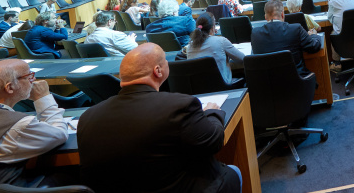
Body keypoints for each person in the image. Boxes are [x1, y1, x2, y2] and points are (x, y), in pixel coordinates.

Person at [77, 44, 242, 193]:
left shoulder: (87, 118)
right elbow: (214, 141)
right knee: (234, 172)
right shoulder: (180, 106)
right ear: (158, 71)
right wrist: (212, 112)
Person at [0, 59, 69, 191]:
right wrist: (43, 97)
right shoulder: (16, 126)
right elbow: (60, 133)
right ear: (9, 87)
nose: (34, 79)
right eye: (29, 76)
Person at [251, 0, 321, 78]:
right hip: (297, 82)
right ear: (282, 14)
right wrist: (314, 35)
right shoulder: (295, 28)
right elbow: (313, 47)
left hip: (268, 85)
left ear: (265, 17)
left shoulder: (255, 33)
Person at [186, 14, 245, 84]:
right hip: (223, 87)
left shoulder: (189, 47)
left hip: (200, 89)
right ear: (212, 28)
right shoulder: (221, 41)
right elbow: (243, 59)